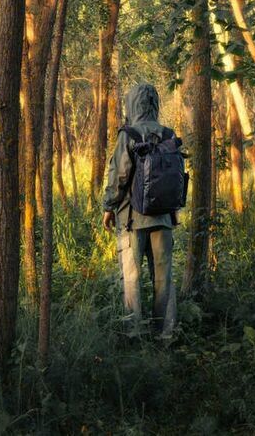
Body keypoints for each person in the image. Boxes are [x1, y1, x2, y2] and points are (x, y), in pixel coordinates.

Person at [101, 83, 176, 337]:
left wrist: (109, 207)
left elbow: (119, 175)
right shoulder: (168, 134)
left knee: (132, 278)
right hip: (163, 218)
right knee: (164, 278)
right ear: (155, 104)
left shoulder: (129, 134)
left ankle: (134, 334)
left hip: (132, 219)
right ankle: (164, 334)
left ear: (131, 104)